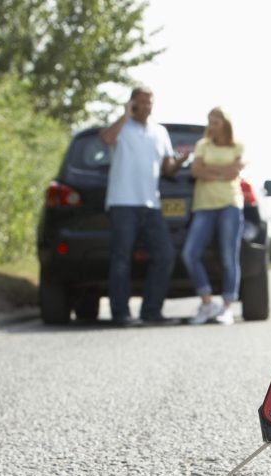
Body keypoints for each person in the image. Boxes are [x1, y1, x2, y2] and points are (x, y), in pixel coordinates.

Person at [100, 86, 188, 326]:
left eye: (149, 102)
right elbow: (106, 138)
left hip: (151, 204)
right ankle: (121, 313)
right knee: (121, 259)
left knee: (165, 255)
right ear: (132, 104)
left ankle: (151, 311)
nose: (146, 106)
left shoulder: (159, 132)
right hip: (122, 203)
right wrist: (126, 114)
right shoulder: (121, 128)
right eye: (141, 102)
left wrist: (181, 161)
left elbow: (167, 168)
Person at [182, 107, 246, 326]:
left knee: (229, 256)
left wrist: (211, 171)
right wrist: (222, 172)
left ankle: (227, 307)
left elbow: (235, 172)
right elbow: (196, 171)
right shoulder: (202, 145)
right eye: (210, 122)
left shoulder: (238, 146)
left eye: (215, 122)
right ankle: (207, 303)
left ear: (225, 124)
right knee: (190, 253)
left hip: (230, 203)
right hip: (204, 205)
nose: (211, 126)